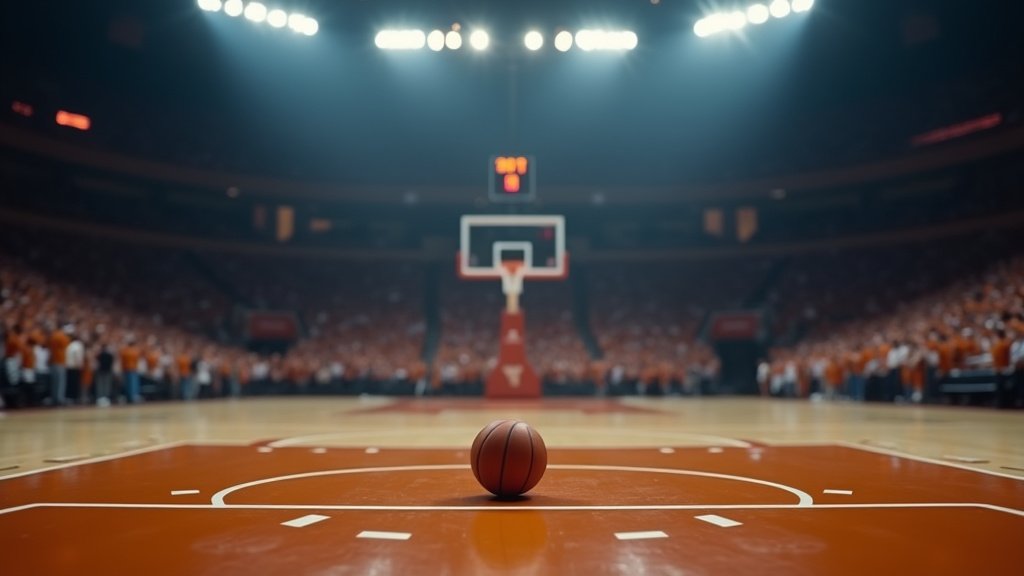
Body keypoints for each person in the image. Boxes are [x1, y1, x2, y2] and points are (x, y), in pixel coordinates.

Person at [48, 323, 70, 406]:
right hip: (60, 361)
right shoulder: (61, 336)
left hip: (53, 361)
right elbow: (67, 344)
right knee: (60, 382)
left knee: (54, 383)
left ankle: (54, 398)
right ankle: (59, 399)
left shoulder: (52, 336)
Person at [65, 326, 85, 404]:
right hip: (73, 366)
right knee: (73, 383)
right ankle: (73, 398)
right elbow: (77, 355)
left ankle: (72, 398)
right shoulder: (75, 344)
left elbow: (76, 355)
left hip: (71, 366)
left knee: (72, 383)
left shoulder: (73, 344)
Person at [120, 337, 142, 403]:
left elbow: (122, 360)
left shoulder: (125, 351)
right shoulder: (135, 351)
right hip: (133, 369)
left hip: (127, 369)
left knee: (129, 384)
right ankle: (133, 396)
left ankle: (130, 397)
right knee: (133, 384)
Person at [95, 343, 115, 407]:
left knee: (100, 385)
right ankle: (106, 397)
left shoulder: (100, 354)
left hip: (101, 371)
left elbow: (96, 361)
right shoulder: (110, 355)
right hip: (108, 371)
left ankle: (100, 397)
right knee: (107, 385)